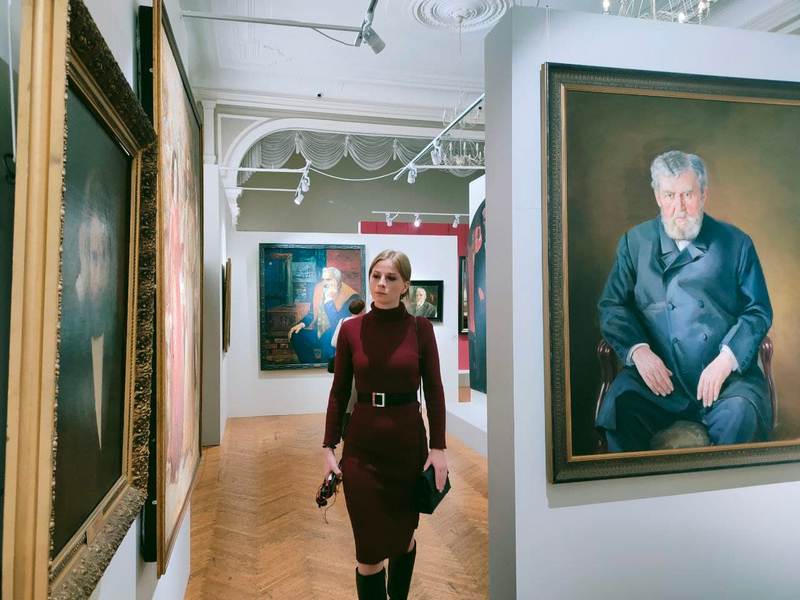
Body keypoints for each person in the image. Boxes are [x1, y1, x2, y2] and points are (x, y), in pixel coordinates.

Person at [596, 150, 773, 452]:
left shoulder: (737, 243)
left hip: (725, 381)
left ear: (703, 194)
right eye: (670, 195)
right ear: (657, 197)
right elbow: (612, 306)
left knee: (741, 414)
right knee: (619, 407)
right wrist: (639, 351)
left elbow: (758, 311)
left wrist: (727, 360)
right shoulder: (634, 242)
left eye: (688, 194)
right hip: (659, 381)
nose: (679, 207)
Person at [322, 250, 448, 600]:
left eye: (391, 278)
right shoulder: (351, 330)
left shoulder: (420, 330)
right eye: (376, 275)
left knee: (403, 539)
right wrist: (328, 447)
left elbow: (435, 390)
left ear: (405, 285)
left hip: (407, 448)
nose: (381, 283)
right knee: (368, 551)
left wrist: (438, 448)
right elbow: (339, 392)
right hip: (362, 450)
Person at [288, 266, 359, 363]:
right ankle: (311, 364)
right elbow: (312, 313)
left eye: (328, 279)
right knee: (296, 335)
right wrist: (302, 323)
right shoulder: (319, 289)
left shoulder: (351, 297)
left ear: (338, 281)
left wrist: (329, 301)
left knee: (328, 335)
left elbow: (338, 323)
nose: (325, 283)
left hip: (336, 335)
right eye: (323, 279)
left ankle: (326, 365)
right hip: (319, 331)